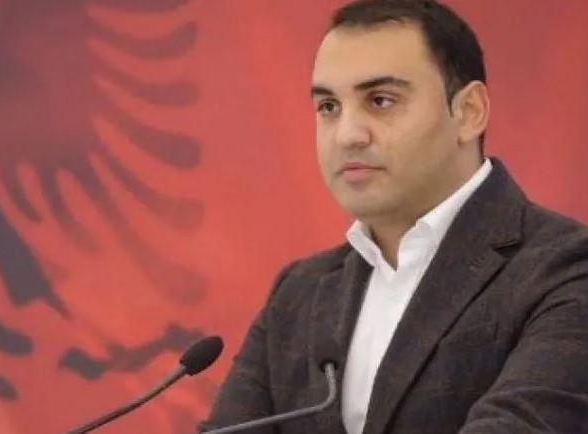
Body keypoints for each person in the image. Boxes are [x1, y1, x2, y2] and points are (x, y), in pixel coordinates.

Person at [198, 0, 588, 433]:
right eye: (329, 107)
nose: (347, 135)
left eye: (380, 100)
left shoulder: (567, 269)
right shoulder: (299, 293)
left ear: (469, 112)